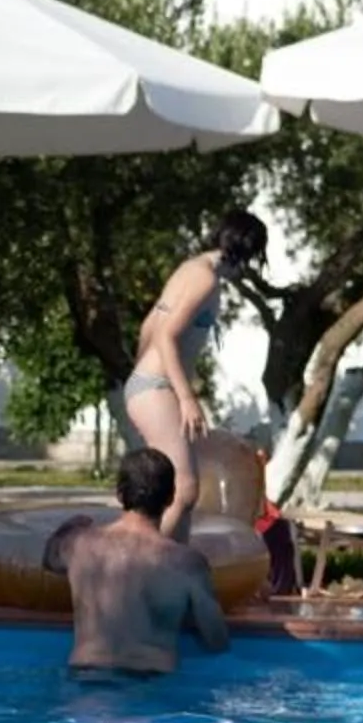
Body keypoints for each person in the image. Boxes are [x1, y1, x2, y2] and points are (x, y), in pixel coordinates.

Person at [122, 209, 267, 540]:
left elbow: (149, 326)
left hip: (150, 387)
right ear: (245, 252)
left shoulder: (189, 269)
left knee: (168, 492)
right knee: (185, 488)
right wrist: (185, 398)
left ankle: (175, 565)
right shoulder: (205, 278)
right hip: (156, 388)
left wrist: (137, 383)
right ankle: (147, 561)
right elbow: (165, 336)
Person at [60, 446, 230, 675]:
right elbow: (216, 640)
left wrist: (70, 527)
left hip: (85, 678)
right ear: (170, 498)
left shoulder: (79, 543)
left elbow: (49, 559)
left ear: (119, 494)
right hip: (151, 683)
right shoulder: (186, 563)